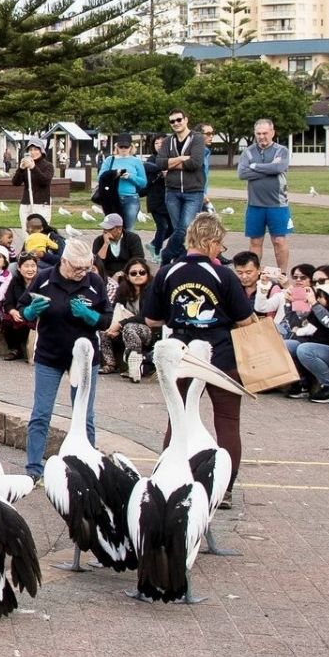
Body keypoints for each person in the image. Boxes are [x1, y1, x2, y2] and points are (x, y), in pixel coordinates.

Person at [143, 210, 255, 505]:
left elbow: (152, 319)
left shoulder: (167, 272)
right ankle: (225, 489)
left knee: (176, 420)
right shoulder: (223, 275)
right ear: (211, 241)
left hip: (180, 354)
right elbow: (245, 321)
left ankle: (170, 476)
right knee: (227, 421)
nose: (221, 250)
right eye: (220, 244)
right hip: (221, 355)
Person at [20, 235, 114, 483]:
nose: (82, 273)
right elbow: (22, 308)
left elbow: (106, 319)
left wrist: (89, 315)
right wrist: (31, 312)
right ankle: (33, 467)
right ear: (64, 261)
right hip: (49, 354)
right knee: (41, 412)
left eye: (86, 267)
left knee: (85, 414)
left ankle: (88, 464)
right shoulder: (44, 277)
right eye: (77, 268)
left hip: (84, 358)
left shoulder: (93, 281)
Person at [277, 268, 329, 403]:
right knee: (285, 345)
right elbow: (297, 326)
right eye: (315, 282)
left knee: (305, 348)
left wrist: (314, 304)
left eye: (321, 281)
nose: (317, 285)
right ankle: (302, 383)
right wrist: (289, 303)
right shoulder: (317, 301)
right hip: (320, 347)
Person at [237, 119, 294, 271]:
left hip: (278, 204)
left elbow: (279, 167)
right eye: (258, 133)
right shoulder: (248, 152)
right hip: (255, 205)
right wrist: (269, 168)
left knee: (279, 241)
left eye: (265, 133)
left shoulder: (281, 151)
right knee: (255, 242)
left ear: (272, 133)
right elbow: (242, 173)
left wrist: (255, 167)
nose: (262, 137)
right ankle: (253, 275)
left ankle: (282, 275)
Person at [157, 110, 208, 262]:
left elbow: (195, 163)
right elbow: (160, 163)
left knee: (185, 228)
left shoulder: (197, 139)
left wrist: (171, 163)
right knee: (179, 230)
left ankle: (166, 255)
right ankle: (182, 260)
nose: (176, 123)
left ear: (186, 120)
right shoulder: (167, 141)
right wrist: (180, 158)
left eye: (179, 120)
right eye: (172, 121)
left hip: (193, 192)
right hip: (172, 191)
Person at [106, 259, 159, 382]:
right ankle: (110, 364)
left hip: (149, 330)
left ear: (147, 273)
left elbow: (146, 316)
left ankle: (135, 362)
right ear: (128, 276)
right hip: (124, 327)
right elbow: (116, 311)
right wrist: (113, 327)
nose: (138, 275)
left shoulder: (152, 291)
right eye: (134, 273)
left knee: (130, 327)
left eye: (142, 272)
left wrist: (120, 324)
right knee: (104, 331)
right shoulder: (122, 290)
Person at [99, 133, 149, 232]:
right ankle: (113, 247)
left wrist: (130, 176)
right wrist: (114, 174)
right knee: (112, 230)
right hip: (112, 198)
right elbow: (101, 177)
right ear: (116, 146)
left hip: (130, 198)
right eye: (121, 146)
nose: (123, 149)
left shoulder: (136, 161)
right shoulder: (110, 160)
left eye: (126, 146)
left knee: (129, 229)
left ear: (131, 147)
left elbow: (143, 183)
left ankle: (127, 247)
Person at [11, 140, 53, 229]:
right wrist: (21, 169)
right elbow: (15, 182)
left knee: (40, 232)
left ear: (41, 151)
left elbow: (45, 181)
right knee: (26, 231)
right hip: (26, 204)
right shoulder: (26, 166)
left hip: (42, 204)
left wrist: (33, 168)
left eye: (36, 149)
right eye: (30, 150)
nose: (33, 152)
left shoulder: (48, 166)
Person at [144, 135, 175, 257]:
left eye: (161, 143)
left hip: (169, 199)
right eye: (156, 143)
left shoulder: (172, 159)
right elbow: (147, 169)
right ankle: (156, 252)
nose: (159, 145)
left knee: (172, 228)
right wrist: (160, 171)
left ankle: (153, 244)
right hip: (155, 199)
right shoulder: (152, 160)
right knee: (163, 226)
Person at [231, 251, 286, 318]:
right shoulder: (233, 285)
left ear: (259, 269)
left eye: (248, 272)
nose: (244, 276)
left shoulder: (272, 288)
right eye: (240, 273)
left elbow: (273, 317)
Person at [92, 213, 145, 281]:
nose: (105, 231)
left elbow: (138, 259)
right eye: (104, 228)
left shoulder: (133, 238)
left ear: (119, 229)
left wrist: (121, 273)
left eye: (109, 229)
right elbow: (97, 264)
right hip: (106, 276)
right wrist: (105, 244)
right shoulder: (99, 240)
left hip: (127, 274)